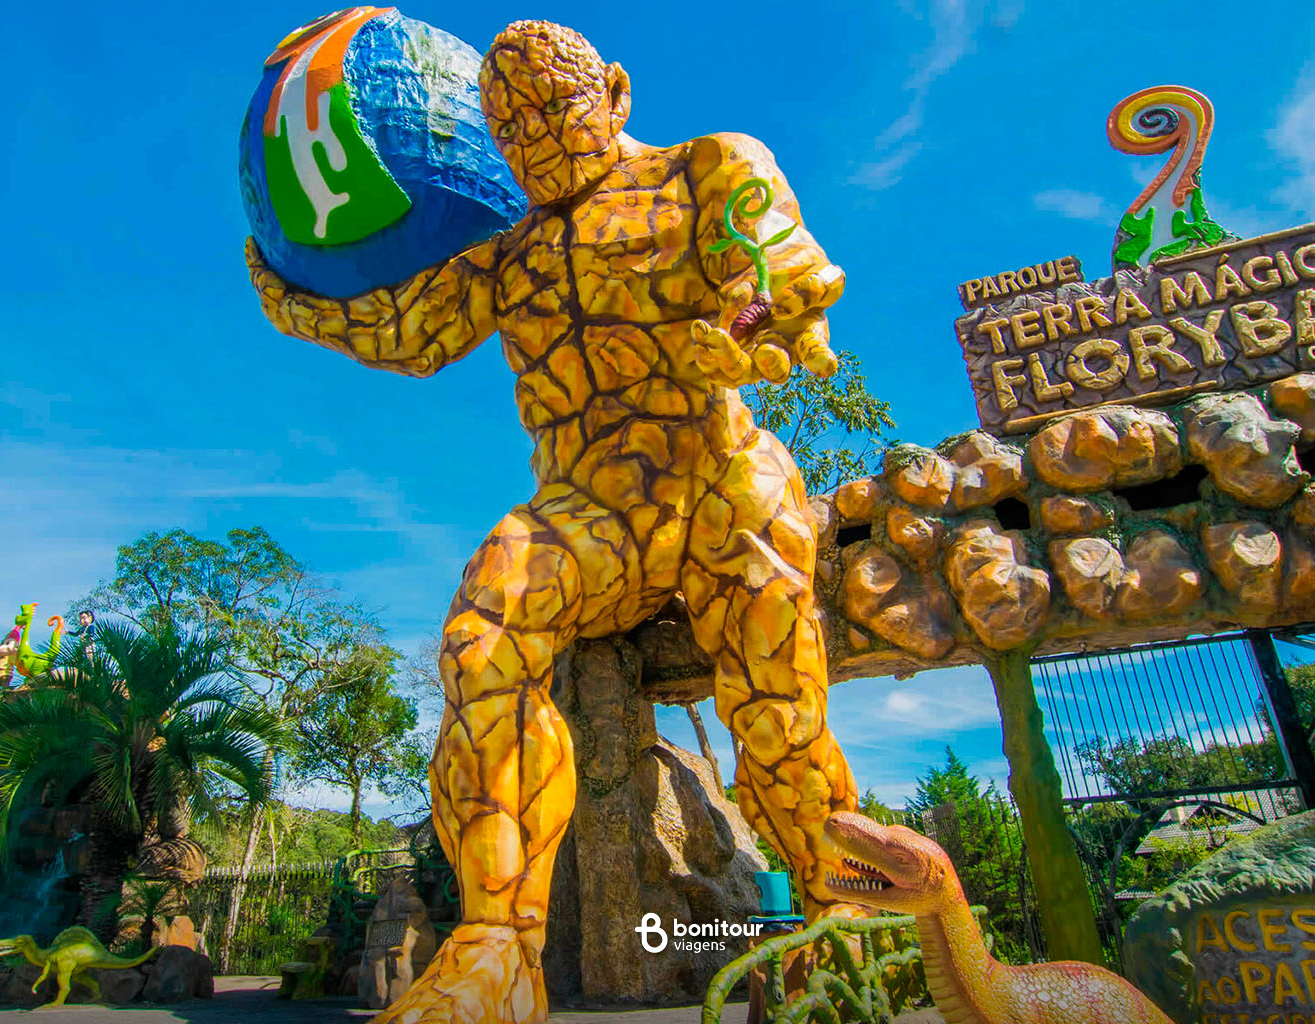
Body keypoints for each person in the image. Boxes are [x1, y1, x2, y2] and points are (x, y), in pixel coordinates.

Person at [247, 19, 858, 1024]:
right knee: (483, 625)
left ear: (614, 92)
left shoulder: (708, 167)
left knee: (777, 719)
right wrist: (293, 293)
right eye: (511, 127)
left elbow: (773, 277)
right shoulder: (509, 258)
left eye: (554, 109)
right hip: (594, 511)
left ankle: (842, 919)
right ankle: (498, 946)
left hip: (720, 482)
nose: (534, 140)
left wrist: (752, 324)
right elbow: (407, 331)